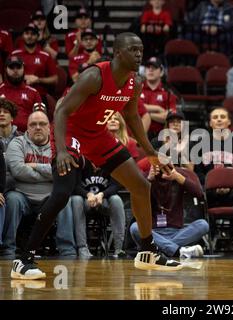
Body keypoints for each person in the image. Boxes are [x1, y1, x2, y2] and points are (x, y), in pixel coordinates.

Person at [10, 32, 181, 280]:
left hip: (98, 135)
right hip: (70, 133)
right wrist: (59, 152)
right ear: (118, 53)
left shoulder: (135, 82)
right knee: (62, 193)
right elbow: (62, 111)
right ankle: (23, 258)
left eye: (140, 50)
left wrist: (153, 154)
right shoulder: (94, 76)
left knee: (141, 185)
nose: (138, 54)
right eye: (133, 50)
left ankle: (147, 251)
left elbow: (132, 117)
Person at [3, 111, 75, 259]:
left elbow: (63, 171)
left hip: (50, 197)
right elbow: (18, 171)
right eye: (33, 124)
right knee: (11, 199)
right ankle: (8, 248)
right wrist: (50, 173)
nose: (37, 127)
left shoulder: (59, 146)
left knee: (64, 201)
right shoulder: (17, 143)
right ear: (27, 128)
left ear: (49, 128)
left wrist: (34, 165)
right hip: (22, 196)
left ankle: (67, 250)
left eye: (42, 124)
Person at [130, 164, 208, 259]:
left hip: (177, 232)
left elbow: (199, 193)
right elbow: (137, 200)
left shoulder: (178, 175)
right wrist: (148, 180)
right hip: (152, 232)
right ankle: (178, 251)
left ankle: (160, 249)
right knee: (135, 227)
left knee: (203, 224)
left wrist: (178, 177)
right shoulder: (147, 175)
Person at [71, 159, 126, 258]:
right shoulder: (81, 161)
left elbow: (116, 186)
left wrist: (102, 194)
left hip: (104, 200)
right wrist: (88, 194)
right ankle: (82, 247)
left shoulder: (110, 161)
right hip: (85, 201)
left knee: (116, 199)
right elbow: (74, 186)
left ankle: (119, 248)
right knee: (75, 199)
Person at [10, 23, 58, 98]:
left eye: (33, 34)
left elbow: (55, 79)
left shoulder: (45, 55)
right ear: (22, 36)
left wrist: (38, 80)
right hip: (17, 95)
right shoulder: (14, 54)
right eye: (27, 33)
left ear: (37, 36)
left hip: (40, 95)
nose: (29, 36)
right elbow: (7, 76)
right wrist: (21, 77)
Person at [0, 56, 43, 132]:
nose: (15, 70)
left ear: (23, 69)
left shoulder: (33, 92)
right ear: (5, 70)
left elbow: (40, 118)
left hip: (26, 136)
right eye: (11, 67)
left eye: (18, 67)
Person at [140, 57, 177, 139]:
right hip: (138, 136)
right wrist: (158, 109)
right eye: (148, 67)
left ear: (161, 72)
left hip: (161, 137)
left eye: (154, 67)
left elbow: (170, 117)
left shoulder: (168, 93)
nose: (150, 70)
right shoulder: (136, 89)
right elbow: (134, 109)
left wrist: (147, 115)